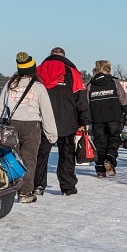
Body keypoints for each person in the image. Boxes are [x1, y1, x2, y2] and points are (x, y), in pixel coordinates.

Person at [0, 52, 58, 203]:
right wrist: (52, 134)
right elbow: (47, 112)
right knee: (29, 160)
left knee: (11, 158)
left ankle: (9, 189)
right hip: (31, 126)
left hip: (11, 125)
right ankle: (25, 193)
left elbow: (1, 108)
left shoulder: (9, 85)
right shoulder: (38, 87)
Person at [33, 47, 91, 196]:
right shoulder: (72, 72)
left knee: (41, 154)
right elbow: (81, 97)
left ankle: (38, 185)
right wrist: (84, 118)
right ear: (64, 56)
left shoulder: (38, 71)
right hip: (67, 119)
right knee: (66, 154)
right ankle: (67, 186)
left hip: (44, 119)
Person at [86, 60, 127, 178]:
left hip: (96, 119)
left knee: (99, 143)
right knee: (114, 139)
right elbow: (123, 99)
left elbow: (85, 103)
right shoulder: (114, 82)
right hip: (113, 117)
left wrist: (84, 119)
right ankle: (110, 159)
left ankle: (100, 170)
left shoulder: (91, 85)